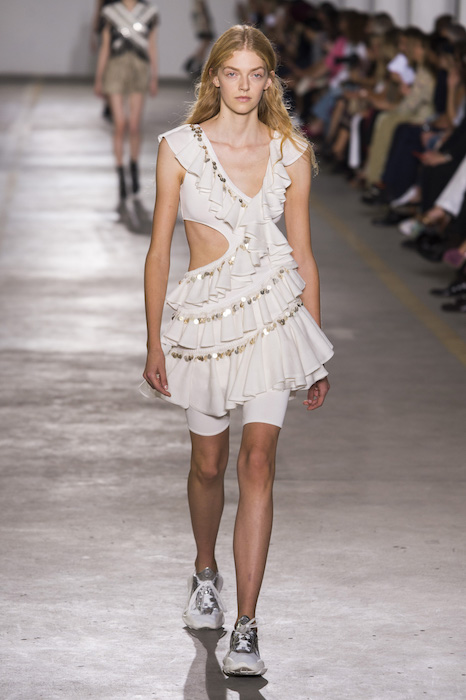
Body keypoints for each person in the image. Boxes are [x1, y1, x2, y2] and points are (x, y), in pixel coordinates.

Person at [141, 25, 333, 676]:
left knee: (257, 462)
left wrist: (313, 348)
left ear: (270, 81)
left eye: (256, 74)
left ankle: (247, 627)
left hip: (274, 322)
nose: (244, 85)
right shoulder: (179, 148)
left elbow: (303, 254)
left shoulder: (290, 151)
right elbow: (159, 251)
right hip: (203, 328)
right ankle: (205, 573)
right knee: (208, 464)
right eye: (233, 73)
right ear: (214, 78)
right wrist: (154, 340)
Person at [94, 0, 159, 200]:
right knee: (120, 124)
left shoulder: (149, 13)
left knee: (134, 125)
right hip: (115, 69)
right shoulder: (110, 12)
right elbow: (105, 47)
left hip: (139, 69)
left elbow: (152, 46)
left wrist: (154, 77)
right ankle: (121, 172)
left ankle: (134, 166)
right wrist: (99, 78)